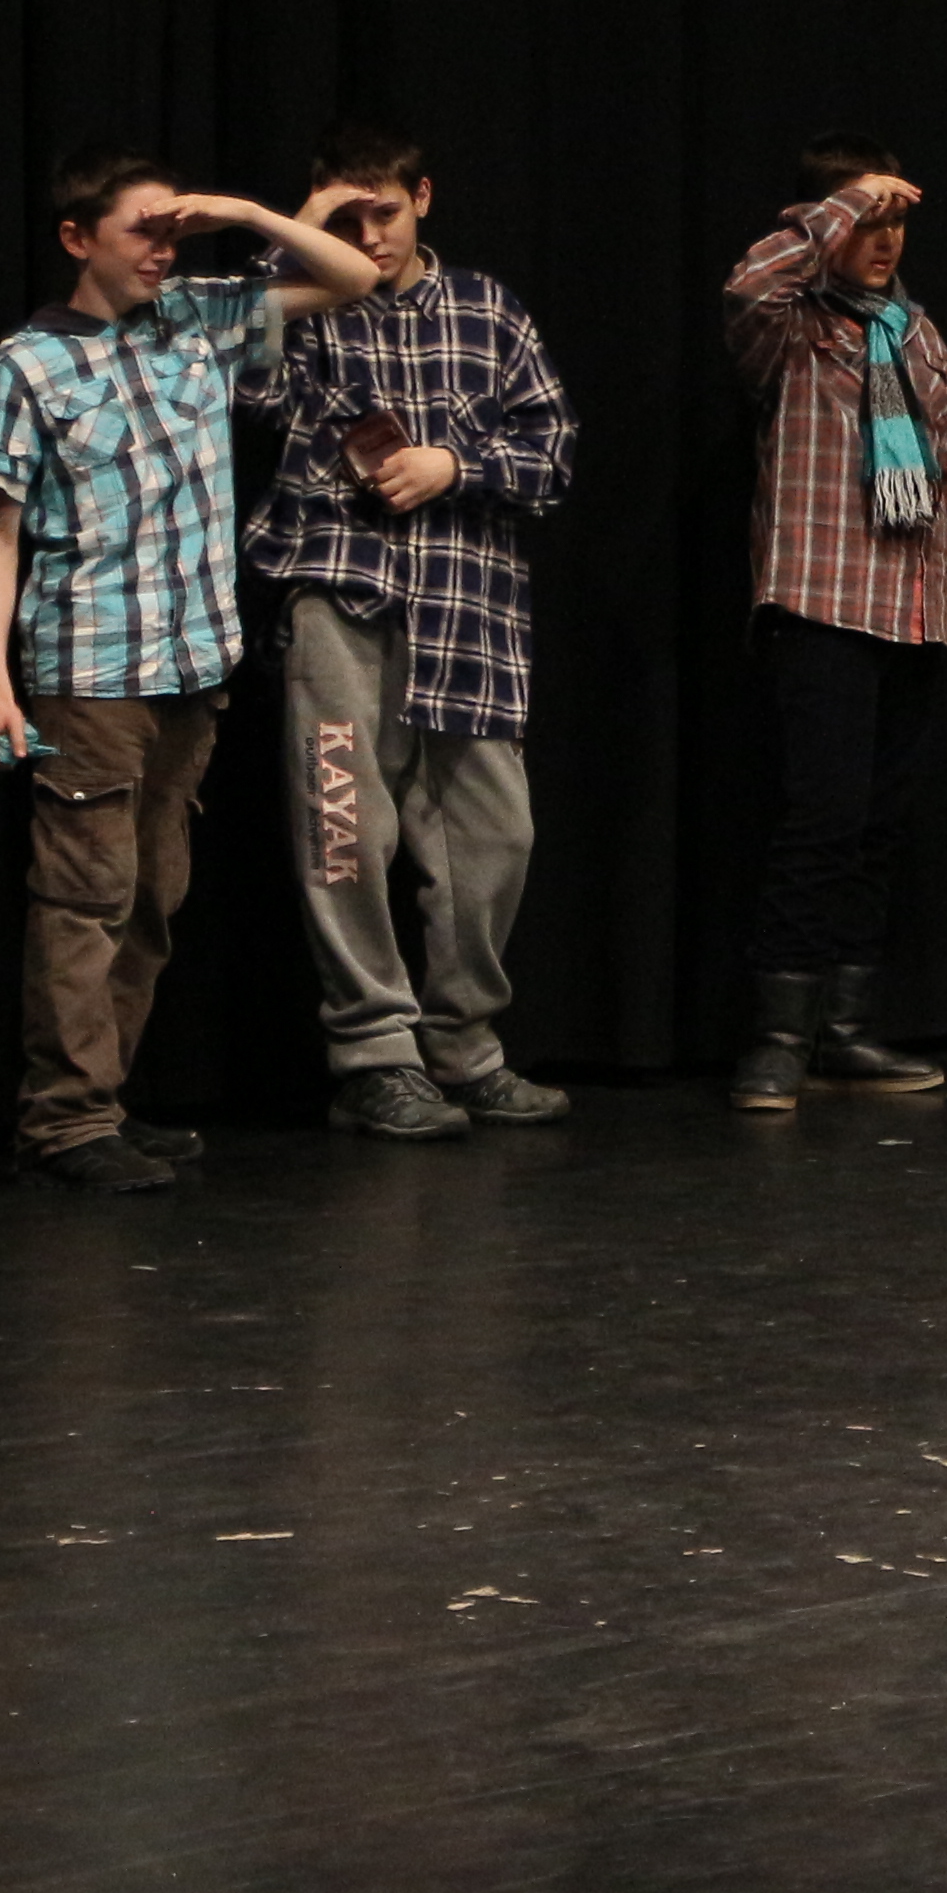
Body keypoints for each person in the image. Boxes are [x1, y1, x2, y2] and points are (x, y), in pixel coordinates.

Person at [0, 158, 380, 1190]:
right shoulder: (27, 364)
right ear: (77, 238)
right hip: (91, 669)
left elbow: (353, 278)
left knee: (152, 896)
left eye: (172, 234)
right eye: (141, 233)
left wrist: (240, 212)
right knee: (86, 898)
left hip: (193, 665)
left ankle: (102, 1102)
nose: (162, 252)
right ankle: (63, 1122)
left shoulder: (198, 317)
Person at [237, 121, 579, 1141]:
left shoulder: (486, 309)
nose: (367, 237)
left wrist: (453, 466)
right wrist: (294, 238)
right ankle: (374, 1057)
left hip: (469, 607)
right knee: (345, 830)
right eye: (343, 218)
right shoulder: (304, 306)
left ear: (421, 198)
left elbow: (553, 452)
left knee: (495, 836)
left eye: (381, 212)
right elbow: (245, 385)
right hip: (342, 594)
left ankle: (464, 1048)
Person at [724, 141, 947, 1108]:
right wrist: (847, 202)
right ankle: (778, 1036)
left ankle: (844, 1029)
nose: (885, 239)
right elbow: (749, 282)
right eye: (868, 222)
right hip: (821, 602)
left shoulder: (916, 333)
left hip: (912, 612)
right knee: (821, 822)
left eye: (897, 223)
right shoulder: (791, 325)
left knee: (877, 830)